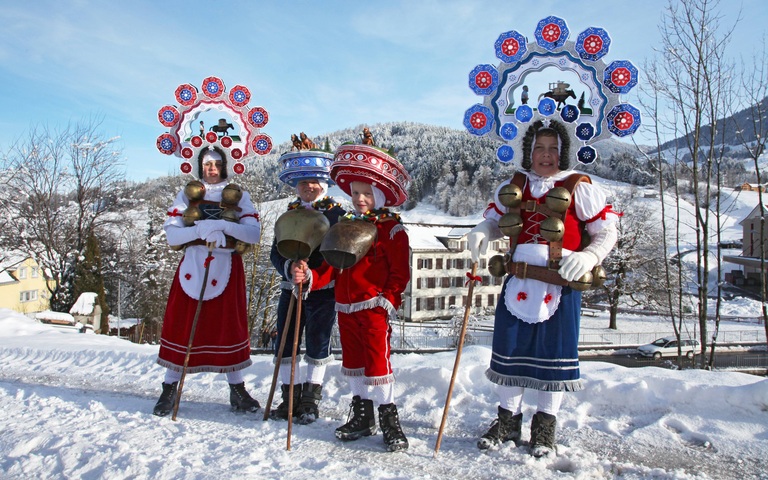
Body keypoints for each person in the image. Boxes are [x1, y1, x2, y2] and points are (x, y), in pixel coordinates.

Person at [466, 118, 619, 457]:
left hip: (560, 285)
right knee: (511, 354)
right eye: (539, 148)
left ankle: (544, 430)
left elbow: (607, 230)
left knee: (553, 357)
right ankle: (507, 422)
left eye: (553, 149)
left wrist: (590, 256)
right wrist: (482, 229)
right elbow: (495, 221)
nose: (545, 155)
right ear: (528, 151)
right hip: (518, 281)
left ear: (563, 153)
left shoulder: (579, 186)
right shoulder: (514, 184)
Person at [290, 140, 412, 452]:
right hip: (345, 307)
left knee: (377, 363)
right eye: (356, 193)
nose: (360, 199)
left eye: (367, 193)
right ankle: (363, 414)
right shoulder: (346, 224)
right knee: (355, 362)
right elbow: (334, 266)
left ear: (380, 196)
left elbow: (400, 272)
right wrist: (313, 277)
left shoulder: (391, 228)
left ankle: (388, 418)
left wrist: (388, 300)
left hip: (373, 306)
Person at [153, 146, 262, 417]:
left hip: (226, 266)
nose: (211, 167)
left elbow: (253, 234)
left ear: (225, 164)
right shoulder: (186, 194)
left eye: (216, 163)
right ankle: (169, 388)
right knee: (184, 325)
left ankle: (237, 388)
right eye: (206, 163)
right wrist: (199, 230)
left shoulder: (239, 195)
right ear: (199, 165)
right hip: (193, 266)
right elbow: (172, 237)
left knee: (227, 327)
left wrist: (224, 227)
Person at [269, 151, 345, 424]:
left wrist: (313, 274)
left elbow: (338, 255)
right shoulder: (290, 213)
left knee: (318, 341)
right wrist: (289, 268)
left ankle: (311, 400)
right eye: (303, 183)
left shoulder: (338, 215)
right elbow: (275, 252)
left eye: (313, 181)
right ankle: (289, 396)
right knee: (286, 342)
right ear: (296, 186)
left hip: (323, 290)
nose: (308, 187)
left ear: (323, 183)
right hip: (291, 288)